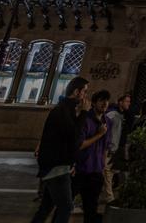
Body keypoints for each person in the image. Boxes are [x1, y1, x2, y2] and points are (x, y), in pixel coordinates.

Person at [31, 76, 89, 223]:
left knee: (46, 207)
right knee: (66, 207)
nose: (85, 96)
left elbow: (67, 139)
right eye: (85, 92)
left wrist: (71, 163)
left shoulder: (65, 109)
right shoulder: (62, 111)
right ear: (77, 92)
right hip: (56, 167)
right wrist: (84, 113)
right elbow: (74, 138)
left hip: (58, 165)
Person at [74, 90, 111, 223]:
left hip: (96, 172)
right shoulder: (85, 119)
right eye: (101, 100)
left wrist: (102, 166)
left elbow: (106, 147)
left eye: (106, 100)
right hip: (80, 169)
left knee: (91, 209)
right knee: (65, 206)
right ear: (94, 103)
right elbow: (79, 145)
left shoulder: (107, 121)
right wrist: (99, 134)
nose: (105, 103)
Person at [100, 92, 131, 204]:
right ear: (120, 102)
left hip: (117, 149)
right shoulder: (112, 114)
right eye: (127, 101)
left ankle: (106, 194)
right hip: (110, 148)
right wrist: (108, 146)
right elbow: (106, 131)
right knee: (108, 172)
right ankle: (109, 197)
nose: (129, 104)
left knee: (112, 172)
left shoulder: (123, 116)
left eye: (129, 101)